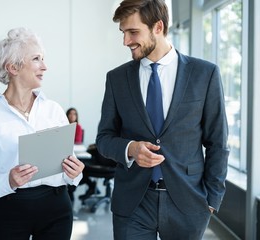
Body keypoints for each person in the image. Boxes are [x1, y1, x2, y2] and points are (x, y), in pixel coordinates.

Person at [96, 1, 229, 240]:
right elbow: (104, 138)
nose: (126, 41)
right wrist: (130, 148)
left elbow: (217, 142)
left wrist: (212, 200)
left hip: (188, 204)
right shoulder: (116, 79)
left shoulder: (204, 74)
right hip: (133, 204)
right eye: (123, 33)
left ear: (158, 27)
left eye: (133, 32)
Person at [0, 27, 84, 240]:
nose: (45, 67)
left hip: (56, 208)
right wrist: (7, 181)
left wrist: (75, 173)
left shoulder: (54, 110)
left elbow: (68, 167)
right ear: (13, 67)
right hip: (9, 209)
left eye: (43, 59)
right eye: (36, 59)